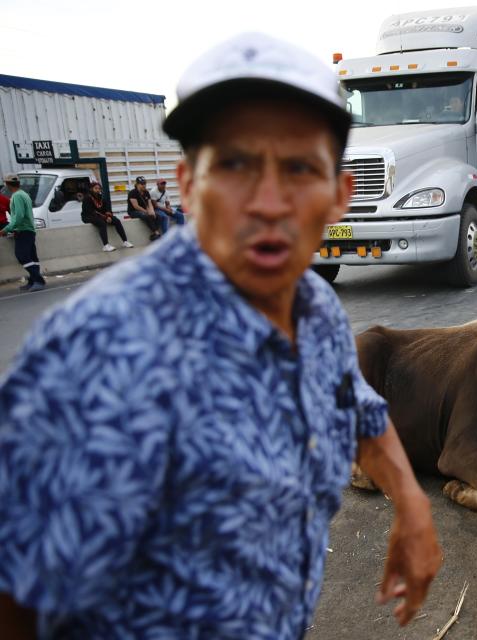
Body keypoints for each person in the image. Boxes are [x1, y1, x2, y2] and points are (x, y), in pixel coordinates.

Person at [0, 32, 441, 638]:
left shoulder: (313, 305)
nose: (266, 202)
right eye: (232, 164)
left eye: (298, 168)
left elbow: (354, 407)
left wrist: (413, 508)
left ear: (339, 195)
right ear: (186, 185)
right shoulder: (101, 352)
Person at [0, 173, 46, 292]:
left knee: (22, 256)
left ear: (8, 184)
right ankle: (32, 281)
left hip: (23, 230)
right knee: (32, 257)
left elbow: (18, 216)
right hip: (29, 229)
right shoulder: (24, 194)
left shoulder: (16, 196)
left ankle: (38, 280)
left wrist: (6, 229)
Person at [82, 180, 134, 251]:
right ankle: (106, 245)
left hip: (100, 216)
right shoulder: (87, 198)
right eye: (96, 188)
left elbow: (106, 209)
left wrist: (108, 216)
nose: (98, 190)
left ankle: (125, 241)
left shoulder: (101, 197)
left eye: (99, 188)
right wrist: (105, 217)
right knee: (102, 223)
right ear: (91, 189)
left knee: (117, 221)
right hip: (88, 216)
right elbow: (91, 211)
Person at [127, 175, 161, 241]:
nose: (144, 185)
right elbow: (136, 206)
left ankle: (155, 233)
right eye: (142, 184)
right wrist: (147, 211)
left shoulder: (146, 192)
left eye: (145, 183)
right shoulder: (132, 193)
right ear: (137, 184)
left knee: (157, 216)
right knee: (147, 216)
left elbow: (149, 203)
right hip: (133, 211)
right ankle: (157, 233)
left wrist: (152, 211)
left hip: (144, 210)